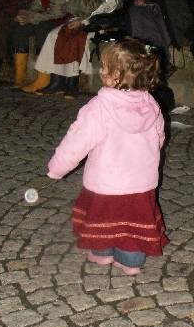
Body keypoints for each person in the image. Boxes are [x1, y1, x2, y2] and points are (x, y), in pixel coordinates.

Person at [47, 37, 167, 276]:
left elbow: (76, 141)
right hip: (140, 182)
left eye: (104, 67)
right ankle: (132, 261)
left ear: (116, 76)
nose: (100, 71)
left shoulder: (99, 107)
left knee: (102, 217)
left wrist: (57, 168)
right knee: (134, 221)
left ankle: (102, 253)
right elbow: (159, 138)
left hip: (106, 182)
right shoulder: (150, 104)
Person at [28, 0, 123, 97]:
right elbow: (72, 6)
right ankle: (56, 80)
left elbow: (107, 7)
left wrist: (83, 21)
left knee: (75, 38)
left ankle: (71, 82)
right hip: (84, 20)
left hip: (100, 23)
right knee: (53, 35)